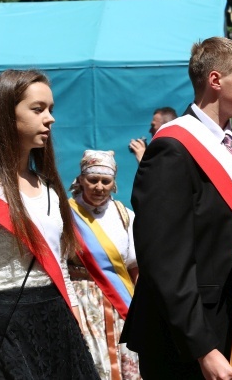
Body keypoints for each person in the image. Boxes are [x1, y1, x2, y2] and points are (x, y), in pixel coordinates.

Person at [121, 37, 232, 380]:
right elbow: (164, 262)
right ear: (215, 80)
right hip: (187, 345)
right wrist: (203, 349)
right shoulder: (171, 148)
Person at [0, 69, 99, 379]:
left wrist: (77, 338)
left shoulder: (48, 187)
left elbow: (60, 270)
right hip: (9, 334)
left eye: (51, 109)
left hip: (58, 328)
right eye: (38, 109)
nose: (50, 119)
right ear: (7, 114)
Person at [68, 149, 141, 380]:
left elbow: (134, 267)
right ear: (81, 180)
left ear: (113, 183)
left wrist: (140, 309)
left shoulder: (125, 215)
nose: (99, 186)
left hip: (121, 304)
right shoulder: (65, 214)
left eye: (105, 181)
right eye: (93, 180)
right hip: (81, 303)